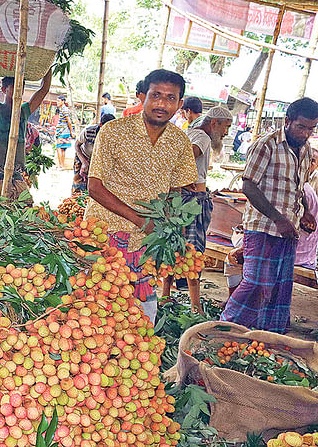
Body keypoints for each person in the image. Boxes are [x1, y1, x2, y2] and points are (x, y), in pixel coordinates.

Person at [85, 69, 198, 323]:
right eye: (156, 95)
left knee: (142, 318)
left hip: (146, 244)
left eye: (171, 98)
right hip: (104, 234)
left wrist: (172, 230)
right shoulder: (113, 132)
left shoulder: (180, 142)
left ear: (180, 104)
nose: (162, 104)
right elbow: (94, 186)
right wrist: (141, 221)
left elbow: (175, 191)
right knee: (96, 312)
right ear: (142, 96)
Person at [220, 97, 318, 334]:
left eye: (311, 129)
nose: (305, 133)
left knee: (278, 287)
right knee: (255, 283)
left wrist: (305, 212)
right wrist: (278, 218)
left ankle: (266, 334)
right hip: (263, 226)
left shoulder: (306, 151)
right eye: (301, 127)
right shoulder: (266, 144)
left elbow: (299, 187)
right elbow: (248, 186)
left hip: (289, 230)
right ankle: (224, 326)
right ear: (288, 121)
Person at [160, 106, 233, 313]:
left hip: (179, 198)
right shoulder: (202, 137)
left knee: (174, 247)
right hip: (192, 201)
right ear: (214, 123)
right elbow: (188, 154)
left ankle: (165, 295)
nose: (226, 133)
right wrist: (184, 179)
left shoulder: (189, 130)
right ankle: (196, 305)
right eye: (226, 127)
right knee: (193, 251)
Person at [0, 34, 50, 202]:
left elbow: (43, 90)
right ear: (4, 89)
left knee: (25, 209)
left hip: (17, 174)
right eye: (15, 87)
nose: (19, 91)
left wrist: (49, 62)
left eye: (22, 87)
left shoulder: (24, 112)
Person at [73, 113, 115, 193]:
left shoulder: (113, 135)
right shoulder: (89, 131)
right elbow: (77, 145)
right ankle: (75, 201)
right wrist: (84, 162)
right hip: (83, 156)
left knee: (95, 186)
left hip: (98, 161)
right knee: (79, 184)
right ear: (101, 125)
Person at [54, 96, 74, 169]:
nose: (57, 102)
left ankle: (60, 165)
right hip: (65, 130)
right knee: (62, 148)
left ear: (63, 101)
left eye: (58, 101)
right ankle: (61, 165)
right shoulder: (63, 109)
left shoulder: (64, 109)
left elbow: (69, 121)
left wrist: (71, 131)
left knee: (59, 147)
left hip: (62, 131)